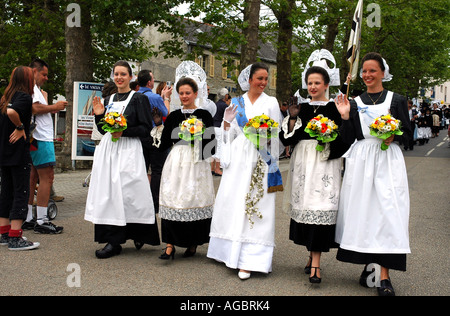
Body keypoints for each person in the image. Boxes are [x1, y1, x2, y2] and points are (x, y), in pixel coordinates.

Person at [335, 52, 412, 296]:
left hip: (387, 160)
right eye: (364, 71)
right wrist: (346, 117)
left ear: (383, 72)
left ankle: (384, 276)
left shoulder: (396, 100)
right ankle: (370, 267)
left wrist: (394, 135)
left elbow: (408, 136)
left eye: (372, 71)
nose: (367, 75)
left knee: (388, 212)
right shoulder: (355, 101)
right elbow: (348, 138)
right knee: (364, 213)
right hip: (361, 160)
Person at [207, 63, 284, 280]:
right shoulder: (237, 102)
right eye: (259, 78)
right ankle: (228, 251)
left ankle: (251, 259)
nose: (263, 83)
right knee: (234, 200)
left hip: (260, 156)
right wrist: (227, 123)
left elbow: (276, 132)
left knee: (256, 201)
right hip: (240, 155)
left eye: (266, 79)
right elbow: (228, 135)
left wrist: (267, 136)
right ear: (249, 79)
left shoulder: (271, 102)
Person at [279, 66, 350, 283]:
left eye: (317, 83)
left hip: (325, 163)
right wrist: (292, 119)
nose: (312, 87)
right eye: (310, 83)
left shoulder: (334, 107)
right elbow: (289, 139)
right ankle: (312, 256)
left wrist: (332, 132)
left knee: (322, 207)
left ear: (327, 85)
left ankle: (316, 263)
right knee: (307, 207)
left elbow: (345, 138)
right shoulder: (302, 107)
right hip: (303, 163)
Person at [85, 61, 159, 259]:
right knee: (110, 194)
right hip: (109, 151)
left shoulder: (139, 99)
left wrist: (123, 131)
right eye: (116, 74)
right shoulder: (109, 99)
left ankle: (138, 232)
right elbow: (103, 130)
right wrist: (99, 115)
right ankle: (113, 240)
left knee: (130, 192)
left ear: (130, 76)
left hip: (129, 150)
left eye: (123, 74)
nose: (119, 78)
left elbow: (146, 128)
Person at [157, 77, 216, 260]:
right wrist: (160, 124)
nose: (184, 96)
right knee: (173, 198)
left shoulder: (204, 115)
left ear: (195, 94)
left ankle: (193, 242)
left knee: (193, 199)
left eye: (187, 93)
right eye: (181, 93)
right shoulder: (174, 116)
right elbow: (165, 143)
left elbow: (211, 146)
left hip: (197, 161)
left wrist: (197, 137)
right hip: (177, 160)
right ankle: (169, 245)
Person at [23, 59, 67, 234]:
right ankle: (41, 220)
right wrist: (54, 106)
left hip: (35, 138)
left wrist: (49, 106)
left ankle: (27, 217)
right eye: (44, 74)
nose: (46, 78)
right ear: (34, 71)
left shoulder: (33, 89)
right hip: (41, 138)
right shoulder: (32, 88)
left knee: (32, 177)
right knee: (47, 177)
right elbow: (34, 108)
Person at [0, 66, 40, 250]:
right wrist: (20, 127)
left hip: (4, 152)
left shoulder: (6, 97)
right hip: (18, 153)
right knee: (21, 193)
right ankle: (16, 236)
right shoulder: (23, 97)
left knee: (6, 192)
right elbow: (12, 113)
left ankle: (4, 232)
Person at [137, 70, 172, 214]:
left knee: (142, 170)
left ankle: (140, 201)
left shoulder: (135, 96)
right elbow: (165, 113)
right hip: (154, 136)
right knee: (157, 170)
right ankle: (155, 202)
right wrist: (166, 98)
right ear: (149, 82)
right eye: (153, 78)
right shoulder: (154, 97)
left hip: (139, 137)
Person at [211, 88, 229, 176]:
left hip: (212, 126)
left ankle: (212, 168)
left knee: (213, 148)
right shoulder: (225, 106)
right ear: (225, 96)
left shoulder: (215, 104)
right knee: (218, 148)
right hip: (219, 127)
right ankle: (217, 168)